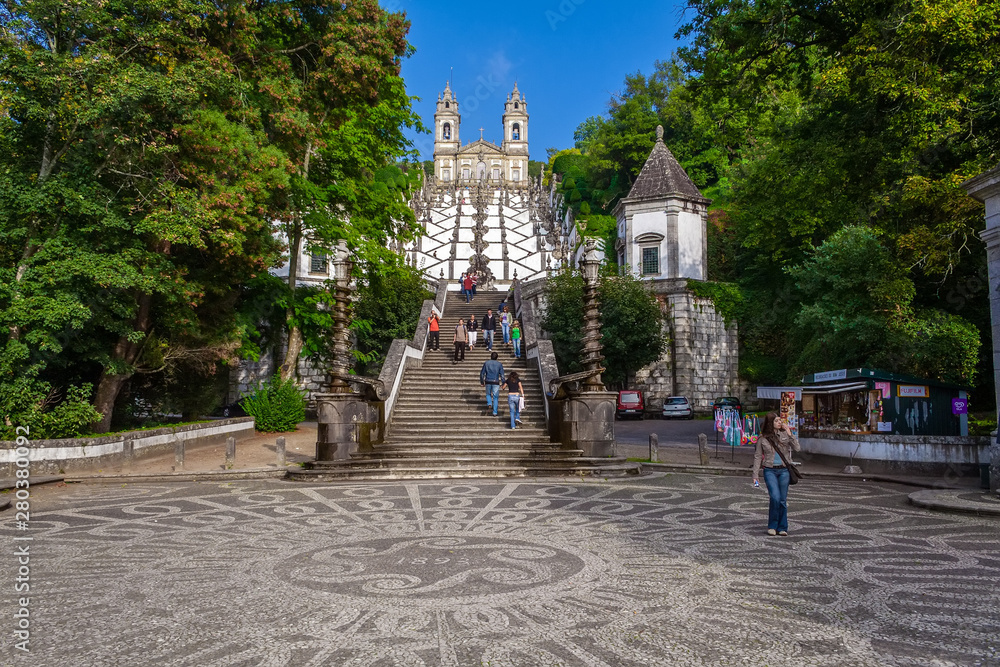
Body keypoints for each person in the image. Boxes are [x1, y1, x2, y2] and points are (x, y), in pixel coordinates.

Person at [752, 412, 801, 536]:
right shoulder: (762, 438)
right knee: (775, 497)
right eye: (777, 421)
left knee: (782, 500)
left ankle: (782, 527)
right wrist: (755, 476)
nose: (780, 422)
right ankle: (772, 526)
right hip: (769, 470)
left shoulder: (785, 434)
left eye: (780, 420)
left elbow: (797, 448)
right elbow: (758, 456)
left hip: (784, 470)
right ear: (770, 423)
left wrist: (790, 434)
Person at [479, 351, 505, 417]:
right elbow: (502, 375)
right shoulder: (499, 364)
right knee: (495, 397)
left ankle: (489, 403)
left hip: (488, 380)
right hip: (495, 381)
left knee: (488, 394)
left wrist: (482, 382)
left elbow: (482, 373)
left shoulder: (486, 363)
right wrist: (503, 383)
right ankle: (495, 412)